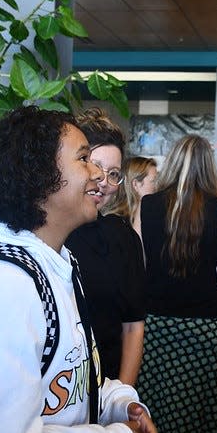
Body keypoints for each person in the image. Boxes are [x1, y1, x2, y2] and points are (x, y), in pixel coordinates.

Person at [0, 106, 157, 433]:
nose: (98, 175)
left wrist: (117, 402)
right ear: (39, 177)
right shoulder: (3, 289)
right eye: (84, 159)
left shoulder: (56, 268)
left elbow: (69, 378)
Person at [138, 134, 217, 433]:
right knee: (199, 413)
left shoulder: (147, 205)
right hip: (203, 328)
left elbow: (137, 268)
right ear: (208, 167)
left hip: (155, 324)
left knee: (156, 404)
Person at [65, 108, 146, 386]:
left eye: (114, 174)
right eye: (94, 165)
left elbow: (133, 326)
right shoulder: (47, 235)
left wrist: (122, 401)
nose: (104, 181)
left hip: (107, 388)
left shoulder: (123, 239)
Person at [114, 156, 158, 237]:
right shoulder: (116, 223)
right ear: (135, 184)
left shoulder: (153, 214)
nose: (157, 186)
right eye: (153, 181)